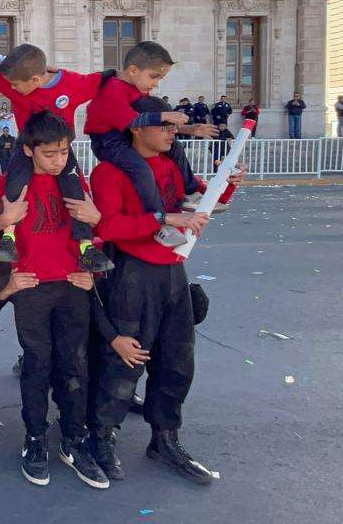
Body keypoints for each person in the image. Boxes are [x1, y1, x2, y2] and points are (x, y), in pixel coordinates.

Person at [88, 95, 245, 486]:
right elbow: (109, 227)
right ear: (137, 128)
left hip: (173, 272)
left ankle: (165, 438)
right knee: (125, 361)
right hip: (131, 274)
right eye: (165, 126)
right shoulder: (109, 172)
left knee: (177, 360)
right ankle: (101, 436)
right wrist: (163, 218)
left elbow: (200, 201)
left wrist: (226, 187)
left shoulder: (173, 163)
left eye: (175, 126)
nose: (173, 133)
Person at [0, 111, 109, 489]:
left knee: (75, 365)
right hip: (32, 288)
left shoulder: (74, 182)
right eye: (49, 154)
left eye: (64, 152)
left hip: (73, 285)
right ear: (28, 150)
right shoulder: (9, 185)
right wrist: (8, 283)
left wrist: (92, 274)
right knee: (37, 365)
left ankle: (73, 440)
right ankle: (35, 439)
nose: (58, 161)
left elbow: (95, 234)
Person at [0, 43, 113, 273]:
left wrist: (122, 75)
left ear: (35, 79)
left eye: (16, 85)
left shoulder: (71, 84)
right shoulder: (13, 80)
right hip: (26, 145)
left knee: (75, 190)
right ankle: (8, 238)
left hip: (61, 147)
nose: (11, 88)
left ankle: (86, 247)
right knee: (15, 182)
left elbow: (100, 79)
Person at [82, 41, 215, 246]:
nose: (155, 84)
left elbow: (149, 125)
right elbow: (134, 121)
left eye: (160, 78)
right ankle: (159, 220)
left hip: (123, 133)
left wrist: (190, 129)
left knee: (176, 147)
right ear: (133, 70)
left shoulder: (136, 87)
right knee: (141, 168)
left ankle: (190, 191)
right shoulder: (114, 89)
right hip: (108, 141)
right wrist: (165, 115)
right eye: (154, 76)